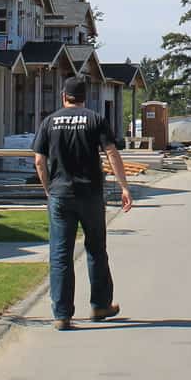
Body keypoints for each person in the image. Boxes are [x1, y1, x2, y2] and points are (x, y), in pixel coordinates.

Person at [32, 77, 133, 331]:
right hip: (90, 194)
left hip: (60, 195)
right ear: (84, 97)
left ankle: (62, 314)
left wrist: (48, 189)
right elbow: (111, 152)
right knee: (96, 249)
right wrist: (124, 186)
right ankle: (100, 305)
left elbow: (39, 160)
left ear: (63, 96)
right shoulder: (95, 119)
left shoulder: (49, 122)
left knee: (60, 254)